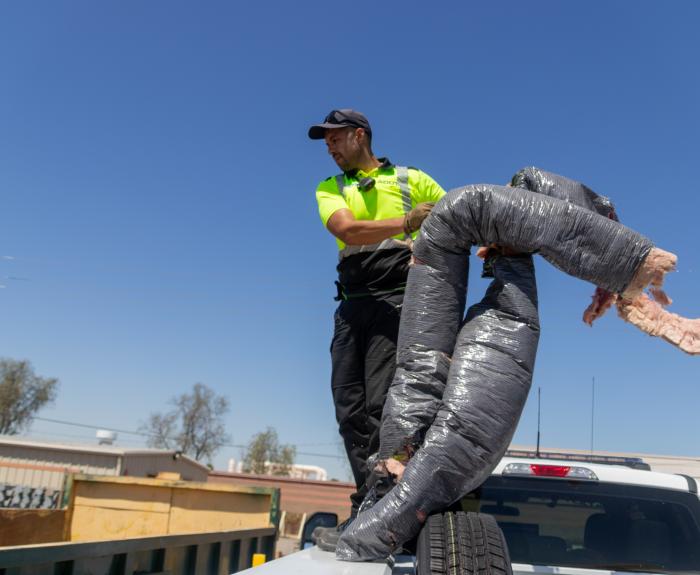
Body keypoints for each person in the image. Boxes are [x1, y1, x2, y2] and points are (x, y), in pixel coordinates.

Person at [308, 109, 445, 527]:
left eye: (335, 138)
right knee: (349, 408)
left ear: (359, 135)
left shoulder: (413, 179)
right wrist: (406, 222)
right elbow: (348, 231)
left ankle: (380, 505)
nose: (329, 148)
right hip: (353, 305)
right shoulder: (330, 188)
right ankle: (370, 496)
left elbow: (459, 215)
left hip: (400, 303)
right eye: (325, 141)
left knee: (381, 406)